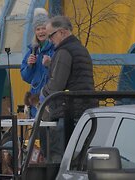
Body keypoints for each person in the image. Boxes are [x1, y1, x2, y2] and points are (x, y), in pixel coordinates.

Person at [40, 16, 95, 161]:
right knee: (80, 160)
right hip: (85, 111)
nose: (50, 40)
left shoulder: (64, 52)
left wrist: (43, 92)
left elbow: (56, 86)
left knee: (59, 161)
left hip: (67, 114)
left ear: (63, 32)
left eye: (51, 35)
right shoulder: (81, 49)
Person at [20, 8, 54, 118]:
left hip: (50, 97)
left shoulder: (54, 48)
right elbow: (25, 77)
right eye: (38, 29)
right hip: (35, 99)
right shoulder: (32, 50)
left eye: (43, 28)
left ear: (48, 30)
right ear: (35, 32)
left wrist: (50, 63)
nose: (41, 32)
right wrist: (30, 66)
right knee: (38, 132)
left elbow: (60, 70)